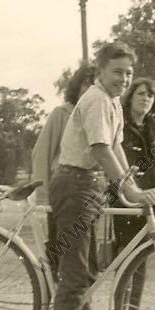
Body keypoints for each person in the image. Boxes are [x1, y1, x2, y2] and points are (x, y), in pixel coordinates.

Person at [45, 42, 155, 310]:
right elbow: (99, 148)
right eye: (117, 72)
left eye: (128, 73)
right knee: (74, 279)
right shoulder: (95, 100)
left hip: (89, 185)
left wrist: (133, 184)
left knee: (86, 276)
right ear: (100, 72)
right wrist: (129, 190)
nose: (124, 79)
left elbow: (118, 149)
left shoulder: (112, 103)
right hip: (74, 184)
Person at [97, 78, 155, 310]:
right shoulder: (122, 129)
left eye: (150, 96)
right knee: (125, 265)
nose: (146, 99)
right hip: (129, 205)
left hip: (153, 206)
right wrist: (139, 192)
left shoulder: (154, 129)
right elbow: (119, 167)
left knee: (141, 263)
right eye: (141, 94)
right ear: (130, 98)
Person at [29, 63, 96, 280]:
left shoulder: (95, 117)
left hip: (86, 196)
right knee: (61, 260)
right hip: (62, 197)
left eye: (94, 85)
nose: (90, 89)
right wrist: (43, 197)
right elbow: (41, 154)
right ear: (77, 87)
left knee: (85, 262)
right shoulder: (62, 114)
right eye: (86, 83)